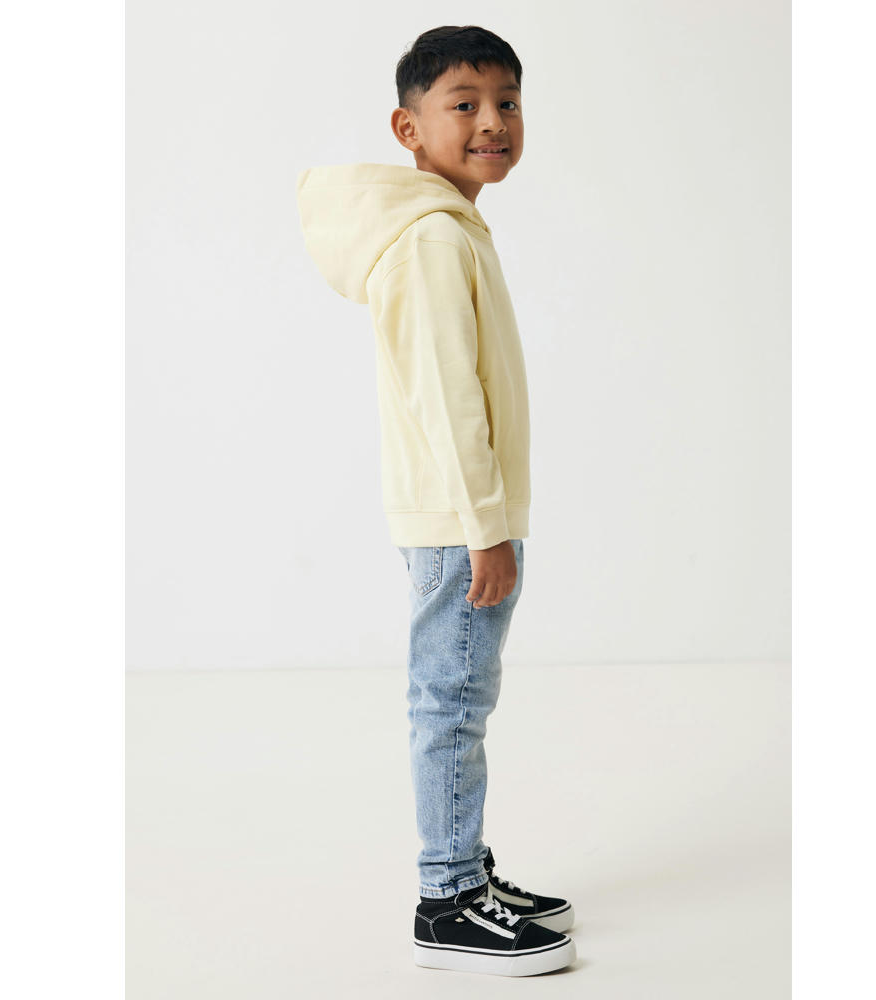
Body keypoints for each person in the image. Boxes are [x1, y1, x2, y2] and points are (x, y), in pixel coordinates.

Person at [296, 25, 576, 977]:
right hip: (463, 521)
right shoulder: (426, 240)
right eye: (464, 104)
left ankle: (466, 872)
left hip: (468, 516)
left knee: (460, 695)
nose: (492, 121)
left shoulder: (449, 228)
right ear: (407, 128)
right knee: (451, 701)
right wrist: (485, 527)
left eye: (508, 102)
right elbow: (448, 397)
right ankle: (447, 899)